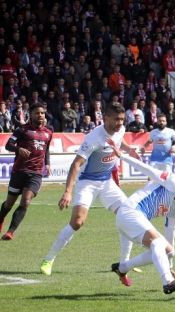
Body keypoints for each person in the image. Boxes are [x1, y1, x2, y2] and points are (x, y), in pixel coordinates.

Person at [39, 102, 141, 275]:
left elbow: (119, 140)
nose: (120, 123)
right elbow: (76, 164)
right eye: (116, 119)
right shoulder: (93, 138)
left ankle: (125, 263)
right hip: (88, 182)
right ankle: (49, 259)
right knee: (77, 222)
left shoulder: (120, 129)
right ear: (106, 118)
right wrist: (68, 191)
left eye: (122, 119)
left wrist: (129, 149)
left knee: (127, 215)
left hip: (107, 182)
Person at [104, 138, 175, 294]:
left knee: (169, 250)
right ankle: (168, 282)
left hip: (133, 221)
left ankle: (122, 267)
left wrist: (169, 265)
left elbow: (170, 237)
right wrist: (121, 156)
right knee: (157, 243)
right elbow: (149, 170)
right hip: (130, 211)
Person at [0, 103, 53, 240]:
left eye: (42, 113)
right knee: (9, 203)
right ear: (31, 114)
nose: (40, 115)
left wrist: (47, 163)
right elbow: (8, 145)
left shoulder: (48, 133)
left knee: (26, 200)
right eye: (37, 113)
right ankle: (1, 219)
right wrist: (19, 149)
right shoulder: (22, 130)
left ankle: (10, 232)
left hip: (36, 173)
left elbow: (46, 149)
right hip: (19, 171)